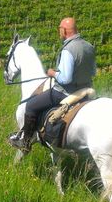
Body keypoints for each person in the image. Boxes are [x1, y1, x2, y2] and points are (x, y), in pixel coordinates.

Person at [7, 17, 96, 151]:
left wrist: (52, 73)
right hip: (85, 90)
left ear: (64, 31)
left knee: (31, 105)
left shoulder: (68, 49)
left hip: (65, 92)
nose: (59, 32)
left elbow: (65, 79)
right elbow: (93, 71)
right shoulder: (89, 46)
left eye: (60, 29)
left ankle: (25, 142)